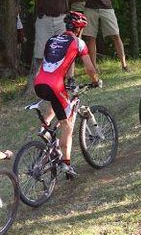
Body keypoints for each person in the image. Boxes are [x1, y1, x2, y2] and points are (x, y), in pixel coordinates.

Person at [34, 11, 100, 177]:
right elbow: (90, 69)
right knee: (67, 124)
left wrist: (70, 78)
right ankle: (66, 163)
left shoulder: (52, 40)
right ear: (79, 29)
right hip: (55, 85)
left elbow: (58, 61)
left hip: (39, 82)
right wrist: (95, 80)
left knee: (57, 102)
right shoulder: (78, 42)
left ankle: (45, 128)